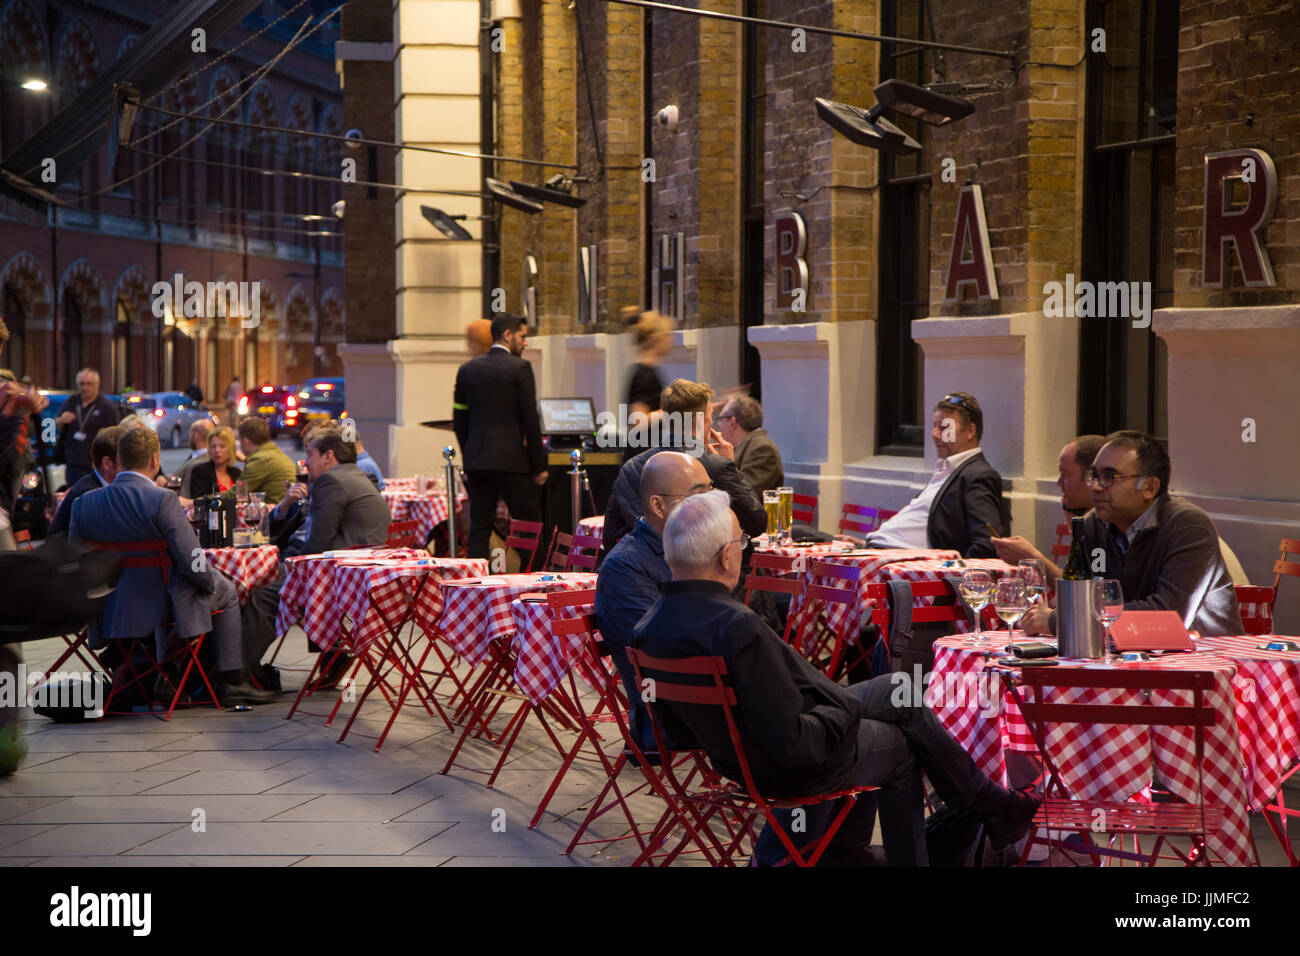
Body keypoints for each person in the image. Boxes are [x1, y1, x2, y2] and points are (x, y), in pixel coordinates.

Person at [633, 491, 1040, 866]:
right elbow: (794, 742)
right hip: (790, 764)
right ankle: (968, 818)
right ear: (725, 557)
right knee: (900, 743)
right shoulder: (737, 626)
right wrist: (843, 712)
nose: (745, 552)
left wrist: (829, 706)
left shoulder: (649, 628)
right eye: (742, 544)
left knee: (901, 693)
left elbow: (672, 732)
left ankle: (876, 845)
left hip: (737, 758)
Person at [68, 426, 277, 705]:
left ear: (119, 459)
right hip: (162, 604)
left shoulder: (83, 504)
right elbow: (192, 560)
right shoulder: (163, 499)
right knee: (224, 590)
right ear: (154, 461)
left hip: (109, 607)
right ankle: (232, 681)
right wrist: (210, 580)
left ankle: (169, 675)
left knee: (189, 585)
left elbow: (77, 561)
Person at [1023, 430, 1243, 637]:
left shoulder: (1188, 527)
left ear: (1150, 487)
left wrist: (1061, 620)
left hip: (1207, 661)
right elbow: (1087, 596)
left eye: (1110, 477)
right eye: (1094, 475)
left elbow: (1167, 616)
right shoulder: (1094, 526)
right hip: (1128, 655)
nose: (1096, 487)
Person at [239, 423, 392, 679]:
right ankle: (326, 660)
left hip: (336, 577)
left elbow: (316, 546)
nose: (306, 461)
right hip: (358, 574)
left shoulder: (331, 481)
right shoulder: (356, 476)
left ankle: (238, 675)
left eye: (310, 453)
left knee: (258, 596)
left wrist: (287, 567)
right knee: (260, 584)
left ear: (328, 456)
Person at [595, 451, 712, 750]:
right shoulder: (627, 566)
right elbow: (662, 650)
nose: (713, 507)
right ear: (658, 505)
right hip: (677, 714)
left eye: (713, 493)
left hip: (723, 695)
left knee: (839, 708)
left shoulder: (694, 551)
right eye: (698, 496)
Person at [602, 378, 766, 553]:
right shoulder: (716, 466)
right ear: (701, 420)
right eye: (711, 416)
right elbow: (757, 523)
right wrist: (731, 468)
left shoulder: (632, 467)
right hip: (702, 572)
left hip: (641, 573)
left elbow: (611, 536)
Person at [865, 391, 1007, 558]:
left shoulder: (978, 475)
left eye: (945, 428)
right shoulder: (947, 470)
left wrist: (948, 572)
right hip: (874, 549)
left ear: (970, 431)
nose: (934, 434)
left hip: (902, 565)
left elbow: (987, 545)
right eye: (935, 427)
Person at [452, 313, 547, 560]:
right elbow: (530, 420)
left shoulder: (467, 370)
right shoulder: (520, 368)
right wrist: (539, 466)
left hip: (477, 461)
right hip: (512, 462)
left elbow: (459, 420)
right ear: (508, 335)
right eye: (523, 337)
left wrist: (470, 452)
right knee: (529, 526)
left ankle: (476, 586)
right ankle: (534, 582)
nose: (525, 343)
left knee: (480, 528)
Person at [990, 434, 1106, 586]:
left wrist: (1033, 559)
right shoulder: (1090, 522)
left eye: (1064, 474)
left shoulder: (1108, 527)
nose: (1058, 483)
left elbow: (1091, 591)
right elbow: (1084, 582)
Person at [47, 425, 121, 537]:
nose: (132, 467)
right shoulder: (89, 494)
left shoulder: (94, 485)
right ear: (107, 464)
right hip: (66, 553)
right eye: (126, 461)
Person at [622, 309, 674, 461]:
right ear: (656, 340)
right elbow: (638, 420)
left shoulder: (647, 371)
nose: (671, 339)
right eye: (667, 335)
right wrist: (674, 410)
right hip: (642, 455)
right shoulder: (644, 374)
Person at [54, 367, 120, 487]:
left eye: (89, 384)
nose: (85, 388)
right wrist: (62, 420)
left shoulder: (107, 407)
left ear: (97, 384)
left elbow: (114, 436)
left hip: (94, 465)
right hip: (73, 463)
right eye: (81, 384)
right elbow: (56, 422)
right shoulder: (72, 402)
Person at [716, 395, 783, 493]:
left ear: (732, 422)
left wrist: (722, 465)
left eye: (720, 419)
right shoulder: (744, 445)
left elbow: (746, 493)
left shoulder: (762, 448)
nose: (718, 425)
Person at [231, 416, 295, 504]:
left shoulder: (259, 460)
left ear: (246, 442)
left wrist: (207, 498)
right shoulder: (274, 453)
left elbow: (237, 494)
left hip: (272, 513)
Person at [186, 427, 241, 497]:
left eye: (222, 446)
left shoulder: (237, 473)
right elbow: (199, 501)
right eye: (213, 447)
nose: (217, 450)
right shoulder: (200, 471)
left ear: (230, 448)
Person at [177, 419, 217, 498]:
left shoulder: (194, 465)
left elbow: (183, 493)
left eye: (190, 433)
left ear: (195, 436)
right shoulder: (213, 459)